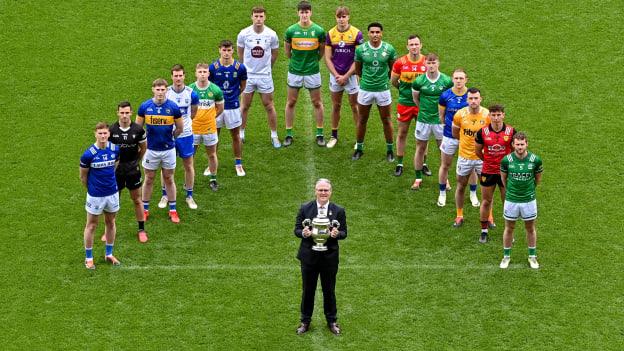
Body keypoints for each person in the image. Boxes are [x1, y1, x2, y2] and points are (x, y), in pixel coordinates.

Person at [294, 178, 347, 335]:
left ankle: (332, 321)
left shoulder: (339, 210)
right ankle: (305, 321)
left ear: (330, 192)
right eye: (320, 190)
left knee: (329, 290)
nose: (323, 193)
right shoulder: (305, 208)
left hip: (329, 258)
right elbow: (296, 229)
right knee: (308, 290)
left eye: (326, 190)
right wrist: (303, 233)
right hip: (309, 256)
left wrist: (337, 234)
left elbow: (344, 232)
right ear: (315, 191)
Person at [136, 78, 183, 223]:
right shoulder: (145, 107)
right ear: (153, 90)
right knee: (149, 179)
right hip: (151, 150)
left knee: (169, 178)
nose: (160, 92)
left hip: (168, 149)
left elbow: (180, 128)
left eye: (163, 90)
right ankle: (145, 210)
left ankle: (173, 210)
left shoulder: (173, 108)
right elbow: (138, 129)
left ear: (166, 90)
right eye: (158, 89)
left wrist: (171, 138)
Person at [352, 22, 398, 161]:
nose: (375, 35)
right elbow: (358, 69)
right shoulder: (361, 50)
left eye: (377, 32)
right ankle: (359, 148)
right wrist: (366, 81)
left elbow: (393, 69)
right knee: (362, 119)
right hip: (365, 90)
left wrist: (383, 81)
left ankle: (390, 150)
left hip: (382, 90)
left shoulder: (389, 49)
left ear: (381, 33)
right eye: (372, 32)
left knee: (386, 119)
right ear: (368, 34)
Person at [283, 0, 326, 146]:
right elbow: (287, 52)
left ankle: (320, 134)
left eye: (307, 12)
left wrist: (312, 62)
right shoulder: (291, 31)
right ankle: (289, 134)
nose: (304, 15)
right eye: (302, 12)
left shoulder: (319, 31)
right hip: (295, 71)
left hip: (312, 71)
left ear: (311, 13)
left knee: (317, 102)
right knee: (291, 102)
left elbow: (321, 52)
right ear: (298, 13)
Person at [237, 6, 281, 148]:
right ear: (252, 17)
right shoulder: (244, 34)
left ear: (265, 17)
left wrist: (267, 67)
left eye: (261, 16)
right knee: (245, 105)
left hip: (264, 76)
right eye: (256, 16)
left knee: (269, 105)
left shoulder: (271, 35)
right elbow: (240, 53)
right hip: (248, 76)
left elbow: (274, 54)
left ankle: (274, 136)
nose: (258, 19)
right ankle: (241, 133)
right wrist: (246, 70)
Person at [79, 122, 121, 269]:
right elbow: (83, 177)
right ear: (95, 134)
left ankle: (109, 254)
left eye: (105, 133)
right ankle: (88, 258)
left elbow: (115, 166)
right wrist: (92, 189)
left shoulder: (115, 149)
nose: (103, 136)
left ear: (109, 134)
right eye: (100, 133)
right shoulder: (88, 154)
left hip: (112, 193)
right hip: (96, 195)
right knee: (91, 225)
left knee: (111, 222)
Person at [107, 101, 149, 243]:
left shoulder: (138, 130)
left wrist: (136, 162)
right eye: (122, 113)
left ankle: (141, 229)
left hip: (132, 171)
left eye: (127, 113)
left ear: (131, 113)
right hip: (116, 172)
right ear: (117, 113)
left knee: (137, 200)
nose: (124, 116)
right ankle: (109, 230)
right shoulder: (111, 130)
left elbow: (143, 148)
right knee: (114, 201)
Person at [159, 64, 200, 210]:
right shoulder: (166, 93)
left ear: (184, 76)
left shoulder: (191, 94)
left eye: (180, 75)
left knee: (188, 165)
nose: (178, 78)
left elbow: (193, 113)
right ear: (172, 77)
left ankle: (189, 195)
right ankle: (165, 195)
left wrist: (184, 125)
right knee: (166, 167)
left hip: (186, 135)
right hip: (168, 135)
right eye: (175, 75)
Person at [499, 132, 543, 269]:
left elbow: (537, 179)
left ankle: (532, 256)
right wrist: (512, 191)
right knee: (509, 228)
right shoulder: (506, 160)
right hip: (511, 199)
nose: (519, 147)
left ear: (527, 144)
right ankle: (506, 257)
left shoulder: (535, 160)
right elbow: (504, 179)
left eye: (522, 144)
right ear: (513, 145)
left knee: (530, 228)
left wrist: (527, 191)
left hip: (528, 200)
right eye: (517, 144)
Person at [437, 68, 479, 206]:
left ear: (466, 79)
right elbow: (442, 116)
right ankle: (442, 193)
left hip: (468, 138)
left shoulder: (472, 96)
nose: (459, 81)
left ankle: (473, 194)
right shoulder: (445, 96)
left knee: (472, 167)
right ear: (452, 79)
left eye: (461, 78)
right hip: (449, 135)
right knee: (445, 165)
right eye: (456, 78)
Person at [410, 53, 453, 189]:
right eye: (429, 63)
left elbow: (449, 100)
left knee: (443, 150)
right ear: (425, 64)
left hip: (440, 121)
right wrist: (424, 110)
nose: (431, 65)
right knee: (420, 148)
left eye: (434, 63)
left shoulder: (446, 81)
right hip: (423, 120)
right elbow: (416, 99)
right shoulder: (419, 81)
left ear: (438, 64)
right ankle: (418, 178)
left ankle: (445, 179)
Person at [323, 6, 364, 148]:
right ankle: (333, 136)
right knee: (336, 105)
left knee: (355, 106)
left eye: (344, 16)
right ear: (336, 18)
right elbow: (327, 58)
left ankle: (359, 140)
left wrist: (346, 76)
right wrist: (336, 75)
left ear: (348, 17)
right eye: (339, 17)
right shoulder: (330, 34)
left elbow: (358, 60)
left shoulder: (356, 34)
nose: (341, 19)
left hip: (351, 76)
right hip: (335, 76)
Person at [475, 104, 516, 243]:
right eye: (493, 115)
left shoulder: (511, 131)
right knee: (486, 201)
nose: (496, 118)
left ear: (503, 115)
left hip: (505, 172)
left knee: (507, 202)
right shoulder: (482, 132)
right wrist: (488, 161)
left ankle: (509, 231)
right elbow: (477, 151)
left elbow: (515, 151)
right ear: (489, 116)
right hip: (488, 171)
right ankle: (484, 231)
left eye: (499, 115)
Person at [451, 88, 489, 227]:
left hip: (482, 158)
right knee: (461, 186)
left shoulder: (487, 115)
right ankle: (459, 215)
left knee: (487, 188)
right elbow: (455, 133)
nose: (473, 101)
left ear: (480, 99)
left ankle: (489, 216)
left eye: (476, 98)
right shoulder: (460, 115)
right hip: (464, 157)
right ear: (467, 100)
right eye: (471, 98)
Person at [210, 40, 248, 176]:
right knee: (214, 136)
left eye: (229, 50)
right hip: (217, 107)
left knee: (235, 136)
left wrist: (235, 95)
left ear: (233, 51)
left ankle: (238, 163)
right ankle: (212, 164)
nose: (226, 53)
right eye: (224, 50)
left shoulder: (240, 68)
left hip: (232, 106)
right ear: (219, 50)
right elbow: (210, 86)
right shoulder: (213, 67)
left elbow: (243, 86)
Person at [390, 34, 426, 175]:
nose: (414, 47)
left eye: (416, 44)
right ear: (407, 47)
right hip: (405, 103)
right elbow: (394, 81)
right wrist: (404, 92)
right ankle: (400, 163)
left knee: (422, 135)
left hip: (422, 104)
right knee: (402, 132)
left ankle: (423, 163)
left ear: (421, 45)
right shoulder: (400, 63)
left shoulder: (426, 62)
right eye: (411, 45)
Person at [190, 63, 224, 191]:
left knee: (212, 154)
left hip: (209, 128)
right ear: (196, 73)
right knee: (190, 156)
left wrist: (210, 118)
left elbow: (220, 108)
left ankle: (213, 179)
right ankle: (190, 179)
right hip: (193, 129)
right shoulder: (190, 90)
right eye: (200, 72)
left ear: (209, 74)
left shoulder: (215, 90)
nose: (202, 74)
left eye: (205, 72)